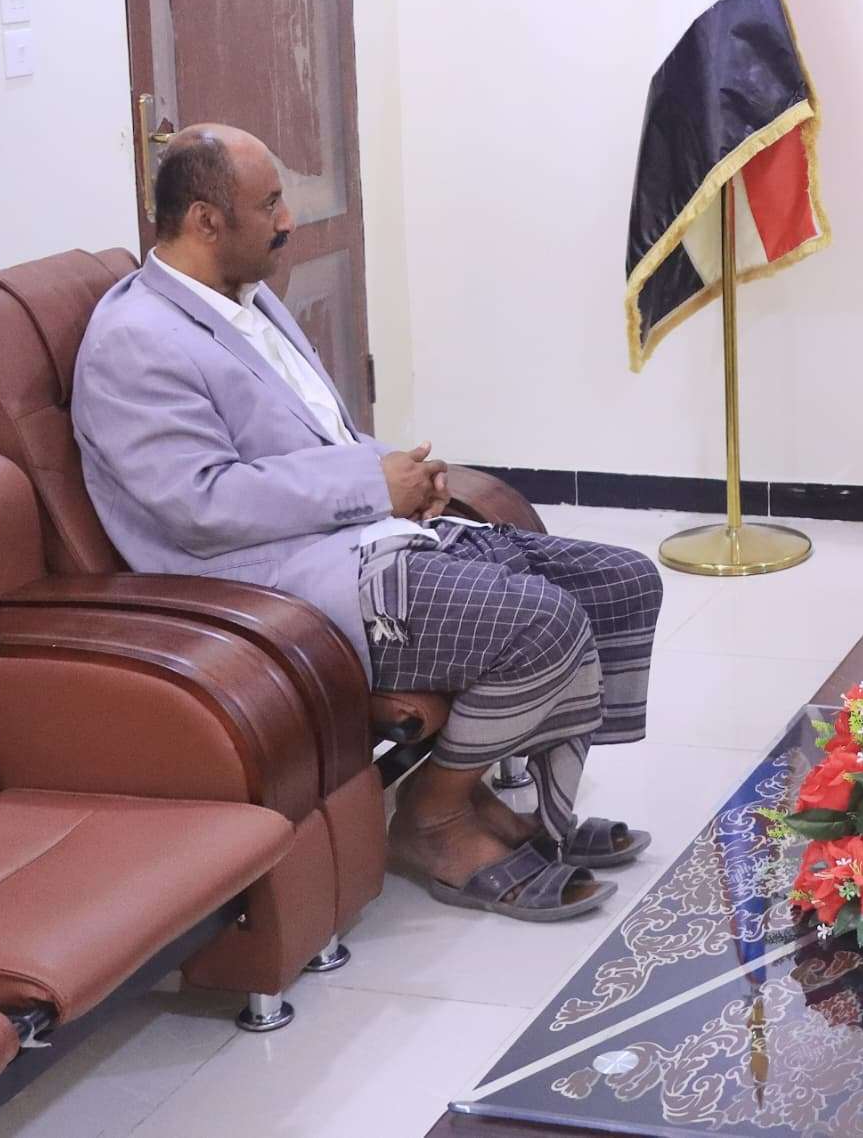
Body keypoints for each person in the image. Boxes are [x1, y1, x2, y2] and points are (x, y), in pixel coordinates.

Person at [72, 125, 661, 923]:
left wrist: (402, 474)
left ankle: (533, 812)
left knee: (622, 585)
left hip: (363, 537)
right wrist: (369, 488)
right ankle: (434, 820)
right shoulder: (135, 341)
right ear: (206, 220)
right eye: (269, 204)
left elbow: (322, 436)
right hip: (279, 578)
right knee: (541, 623)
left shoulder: (247, 298)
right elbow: (202, 505)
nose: (287, 221)